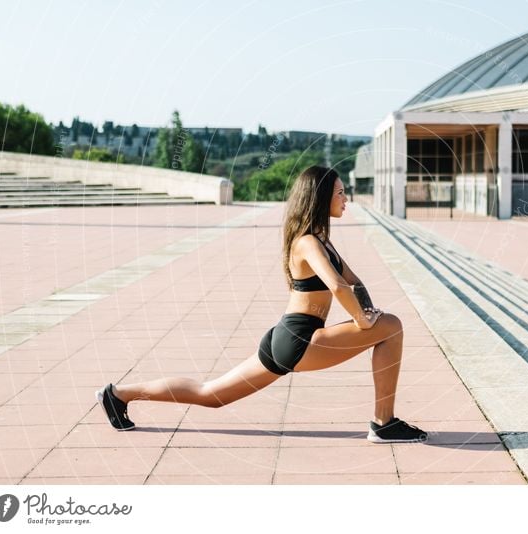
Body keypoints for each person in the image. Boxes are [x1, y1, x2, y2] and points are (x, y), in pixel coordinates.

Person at [96, 165, 427, 444]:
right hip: (299, 339)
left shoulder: (321, 241)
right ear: (321, 196)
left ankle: (119, 394)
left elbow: (354, 283)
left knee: (210, 395)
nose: (345, 198)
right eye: (340, 192)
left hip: (287, 338)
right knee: (391, 327)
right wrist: (362, 318)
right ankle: (383, 423)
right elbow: (338, 286)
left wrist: (367, 309)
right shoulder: (308, 242)